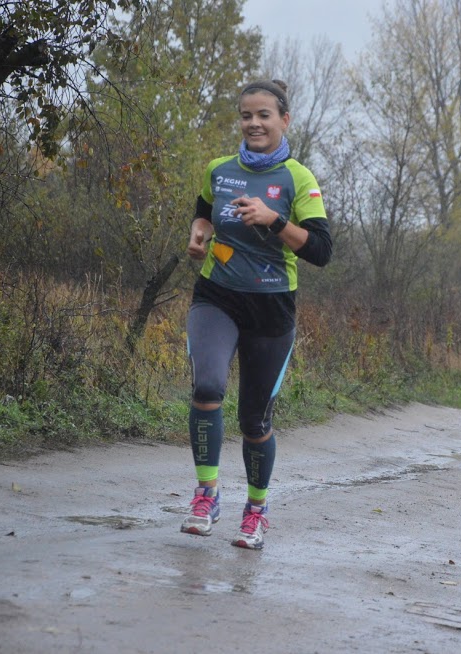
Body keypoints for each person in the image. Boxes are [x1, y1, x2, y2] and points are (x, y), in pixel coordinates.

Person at [181, 79, 333, 549]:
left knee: (254, 420)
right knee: (207, 387)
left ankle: (256, 511)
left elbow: (322, 251)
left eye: (264, 115)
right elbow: (204, 212)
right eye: (246, 115)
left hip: (271, 307)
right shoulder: (219, 169)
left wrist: (275, 220)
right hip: (217, 296)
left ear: (284, 120)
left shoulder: (298, 179)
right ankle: (206, 494)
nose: (254, 123)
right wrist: (199, 233)